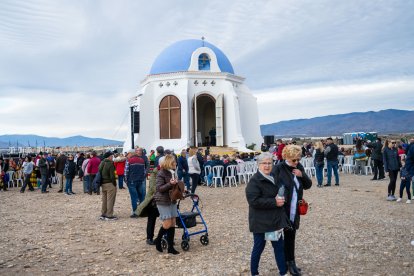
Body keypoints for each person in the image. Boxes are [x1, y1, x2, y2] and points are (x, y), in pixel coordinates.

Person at [246, 152, 289, 276]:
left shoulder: (275, 176)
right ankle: (254, 273)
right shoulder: (254, 181)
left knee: (278, 248)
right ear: (258, 165)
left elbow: (283, 189)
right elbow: (253, 201)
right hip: (260, 222)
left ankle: (283, 272)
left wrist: (282, 197)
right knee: (259, 248)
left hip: (274, 221)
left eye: (269, 163)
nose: (267, 166)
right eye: (264, 163)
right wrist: (274, 202)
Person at [272, 145, 312, 276]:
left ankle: (291, 262)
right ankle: (283, 263)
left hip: (294, 208)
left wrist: (302, 175)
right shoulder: (278, 168)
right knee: (278, 238)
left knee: (291, 236)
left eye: (298, 159)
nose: (297, 162)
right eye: (294, 160)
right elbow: (272, 187)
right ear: (287, 157)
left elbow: (308, 185)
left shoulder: (299, 167)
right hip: (282, 207)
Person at [153, 155, 180, 255]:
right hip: (162, 200)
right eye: (174, 163)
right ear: (169, 163)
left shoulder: (173, 172)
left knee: (173, 222)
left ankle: (170, 248)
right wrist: (170, 184)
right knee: (167, 223)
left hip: (172, 200)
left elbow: (174, 186)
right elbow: (159, 188)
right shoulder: (161, 173)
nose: (176, 164)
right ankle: (158, 241)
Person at [137, 158, 161, 245]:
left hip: (164, 199)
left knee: (167, 219)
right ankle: (149, 238)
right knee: (152, 218)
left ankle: (164, 237)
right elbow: (152, 187)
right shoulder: (155, 172)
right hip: (154, 200)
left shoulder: (168, 171)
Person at [125, 149, 146, 218]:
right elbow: (144, 172)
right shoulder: (142, 160)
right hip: (140, 180)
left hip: (132, 181)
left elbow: (126, 172)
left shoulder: (129, 161)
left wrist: (126, 180)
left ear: (131, 153)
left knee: (134, 197)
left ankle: (135, 212)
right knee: (141, 196)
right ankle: (142, 212)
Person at [99, 151, 117, 220]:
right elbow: (113, 176)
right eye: (112, 156)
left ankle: (103, 213)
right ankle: (109, 215)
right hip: (110, 183)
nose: (112, 157)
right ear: (109, 157)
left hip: (103, 183)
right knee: (110, 200)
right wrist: (114, 184)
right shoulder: (110, 164)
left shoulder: (101, 163)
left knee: (104, 200)